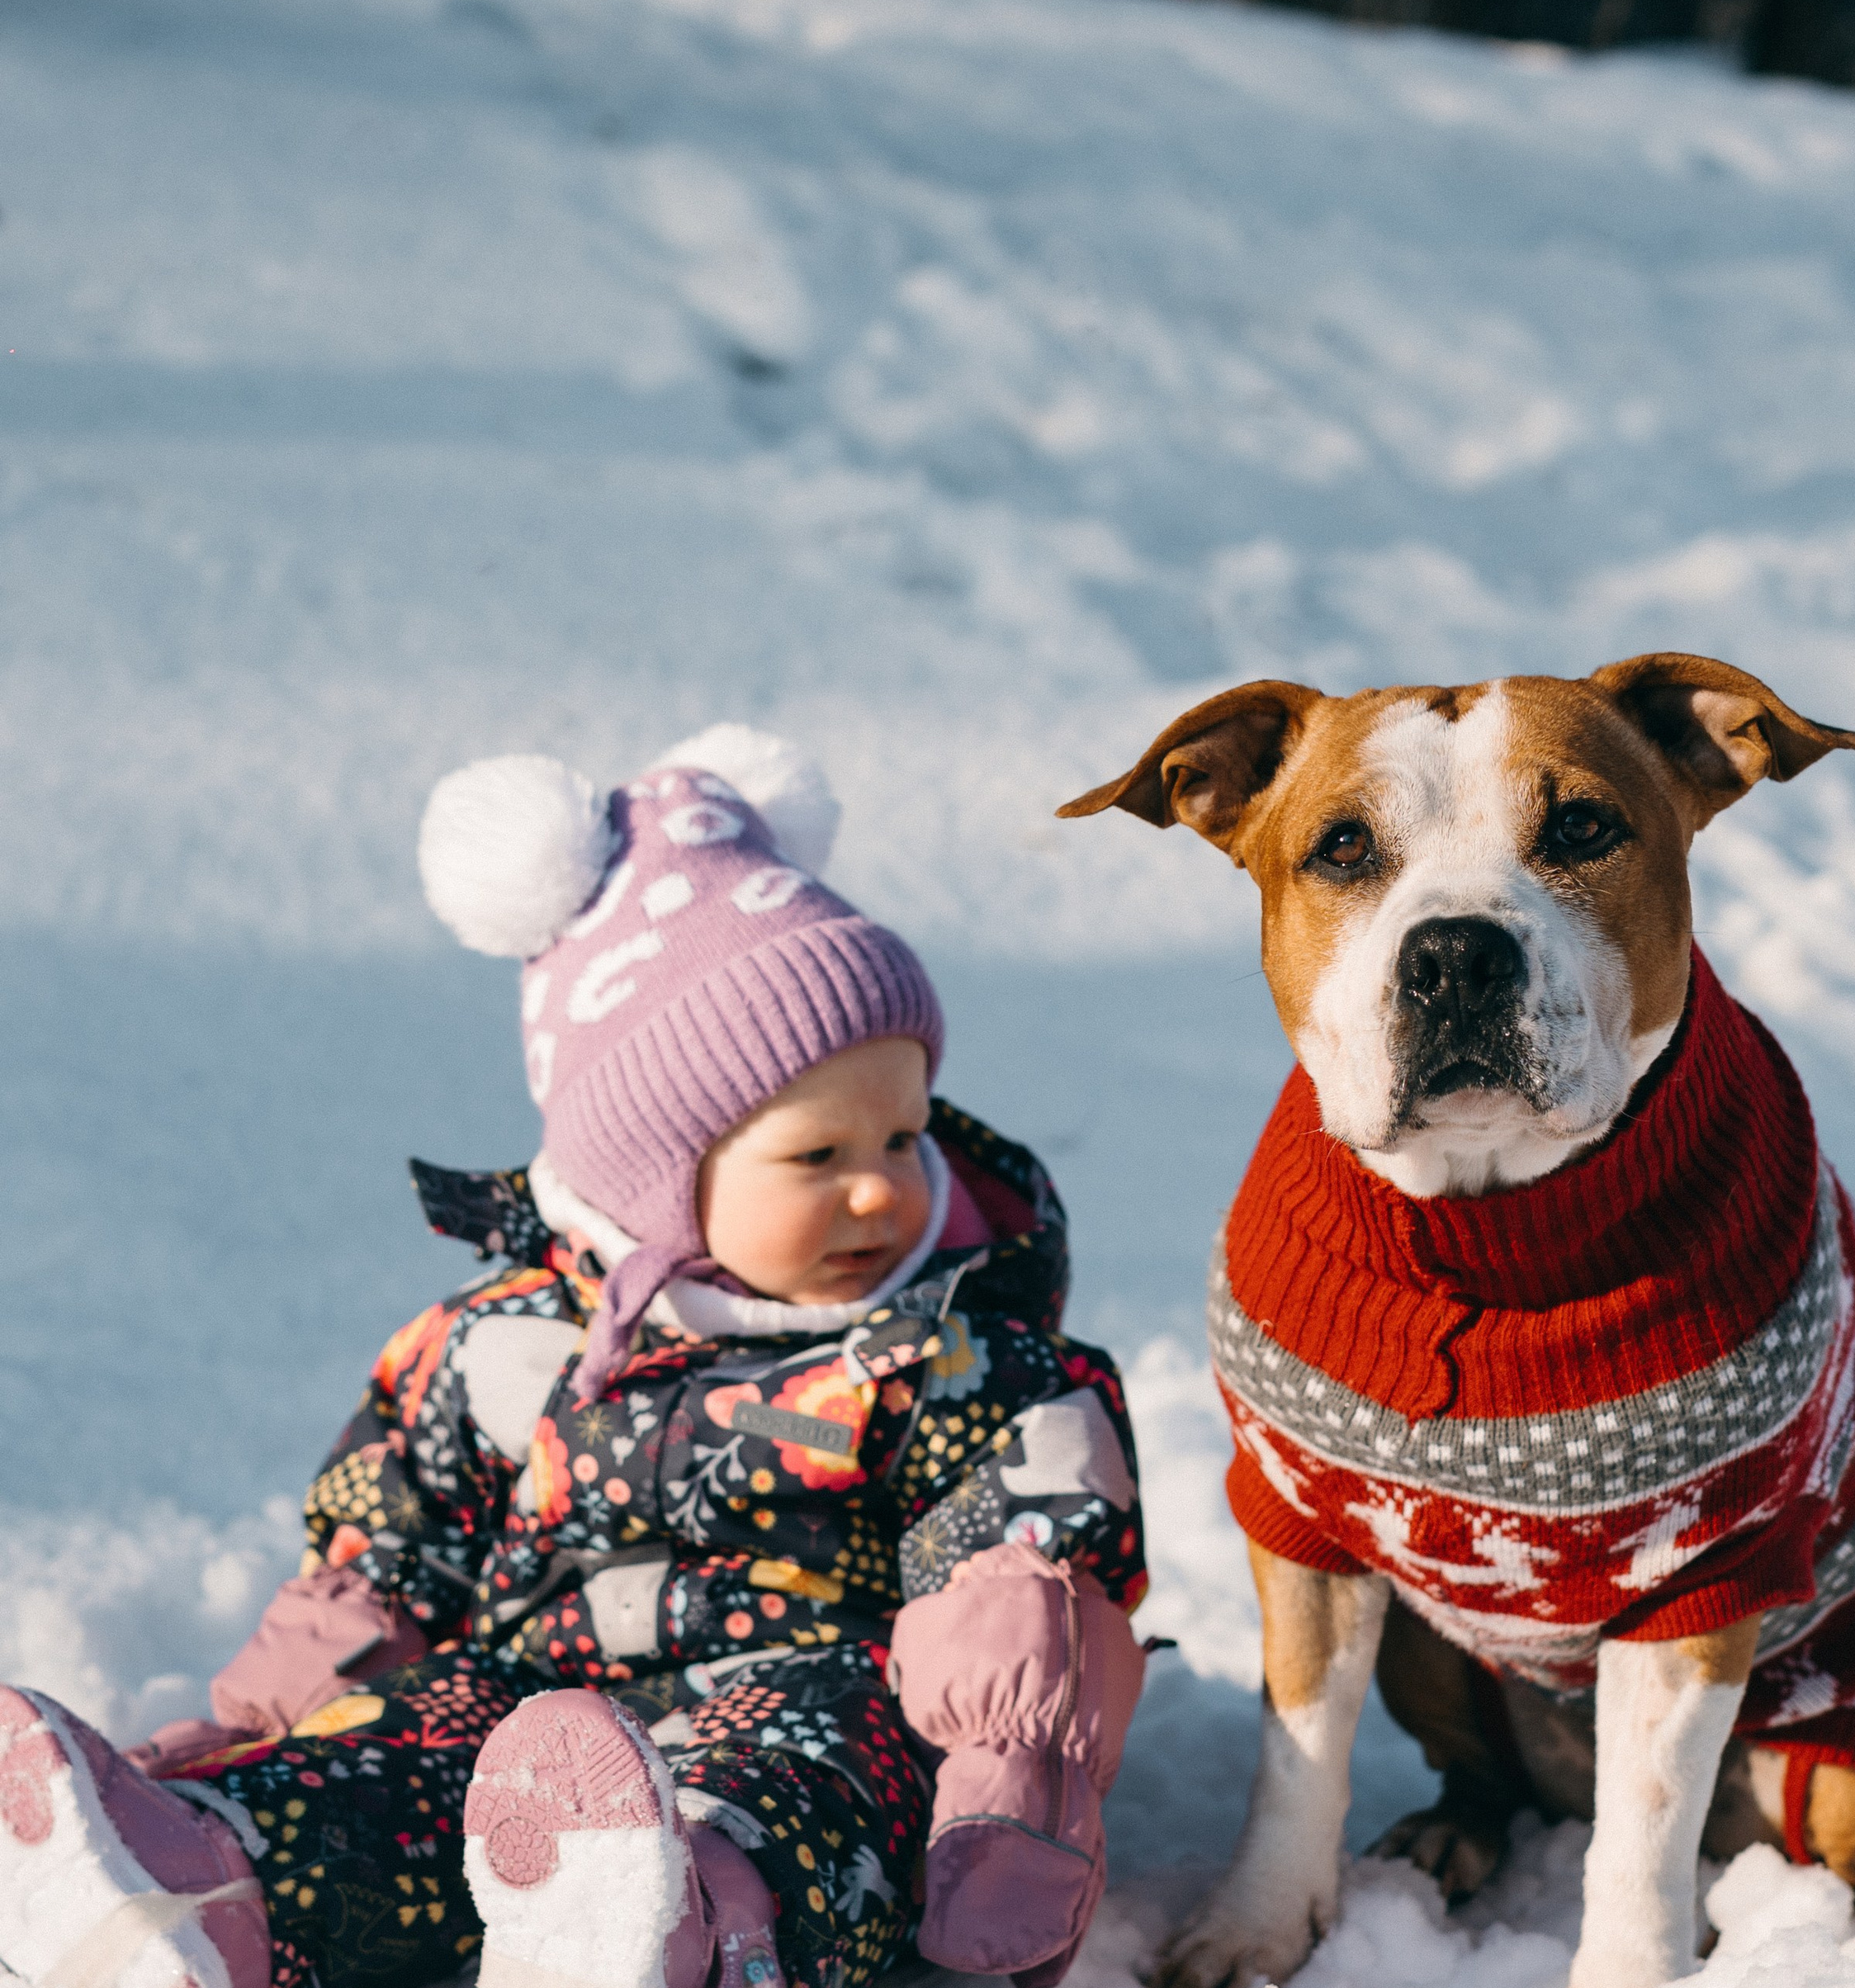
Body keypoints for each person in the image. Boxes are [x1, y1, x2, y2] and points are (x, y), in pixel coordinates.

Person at [0, 727, 1150, 1988]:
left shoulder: (958, 1353)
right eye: (817, 1159)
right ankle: (204, 1880)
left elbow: (1020, 1592)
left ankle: (680, 1925)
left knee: (798, 1768)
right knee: (397, 1757)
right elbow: (386, 1560)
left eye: (900, 1136)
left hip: (822, 1692)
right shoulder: (507, 1343)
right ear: (653, 1182)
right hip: (522, 1714)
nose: (880, 1192)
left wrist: (1007, 1798)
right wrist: (256, 1733)